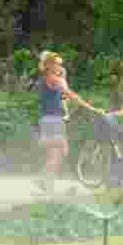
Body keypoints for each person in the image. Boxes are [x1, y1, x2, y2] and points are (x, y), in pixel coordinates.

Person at [36, 51, 101, 181]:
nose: (60, 67)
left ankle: (46, 182)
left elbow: (63, 97)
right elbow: (71, 95)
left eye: (61, 64)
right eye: (58, 64)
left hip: (51, 119)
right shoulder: (54, 79)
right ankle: (42, 179)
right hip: (53, 119)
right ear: (49, 65)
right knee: (58, 153)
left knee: (59, 152)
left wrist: (62, 78)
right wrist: (92, 108)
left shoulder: (47, 79)